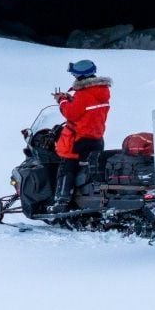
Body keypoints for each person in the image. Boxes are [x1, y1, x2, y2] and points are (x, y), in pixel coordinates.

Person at [50, 59, 110, 213]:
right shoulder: (101, 91)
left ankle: (61, 201)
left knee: (67, 166)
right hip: (96, 137)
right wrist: (71, 99)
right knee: (89, 170)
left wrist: (62, 100)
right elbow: (86, 110)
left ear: (79, 76)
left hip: (79, 138)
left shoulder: (83, 94)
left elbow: (71, 113)